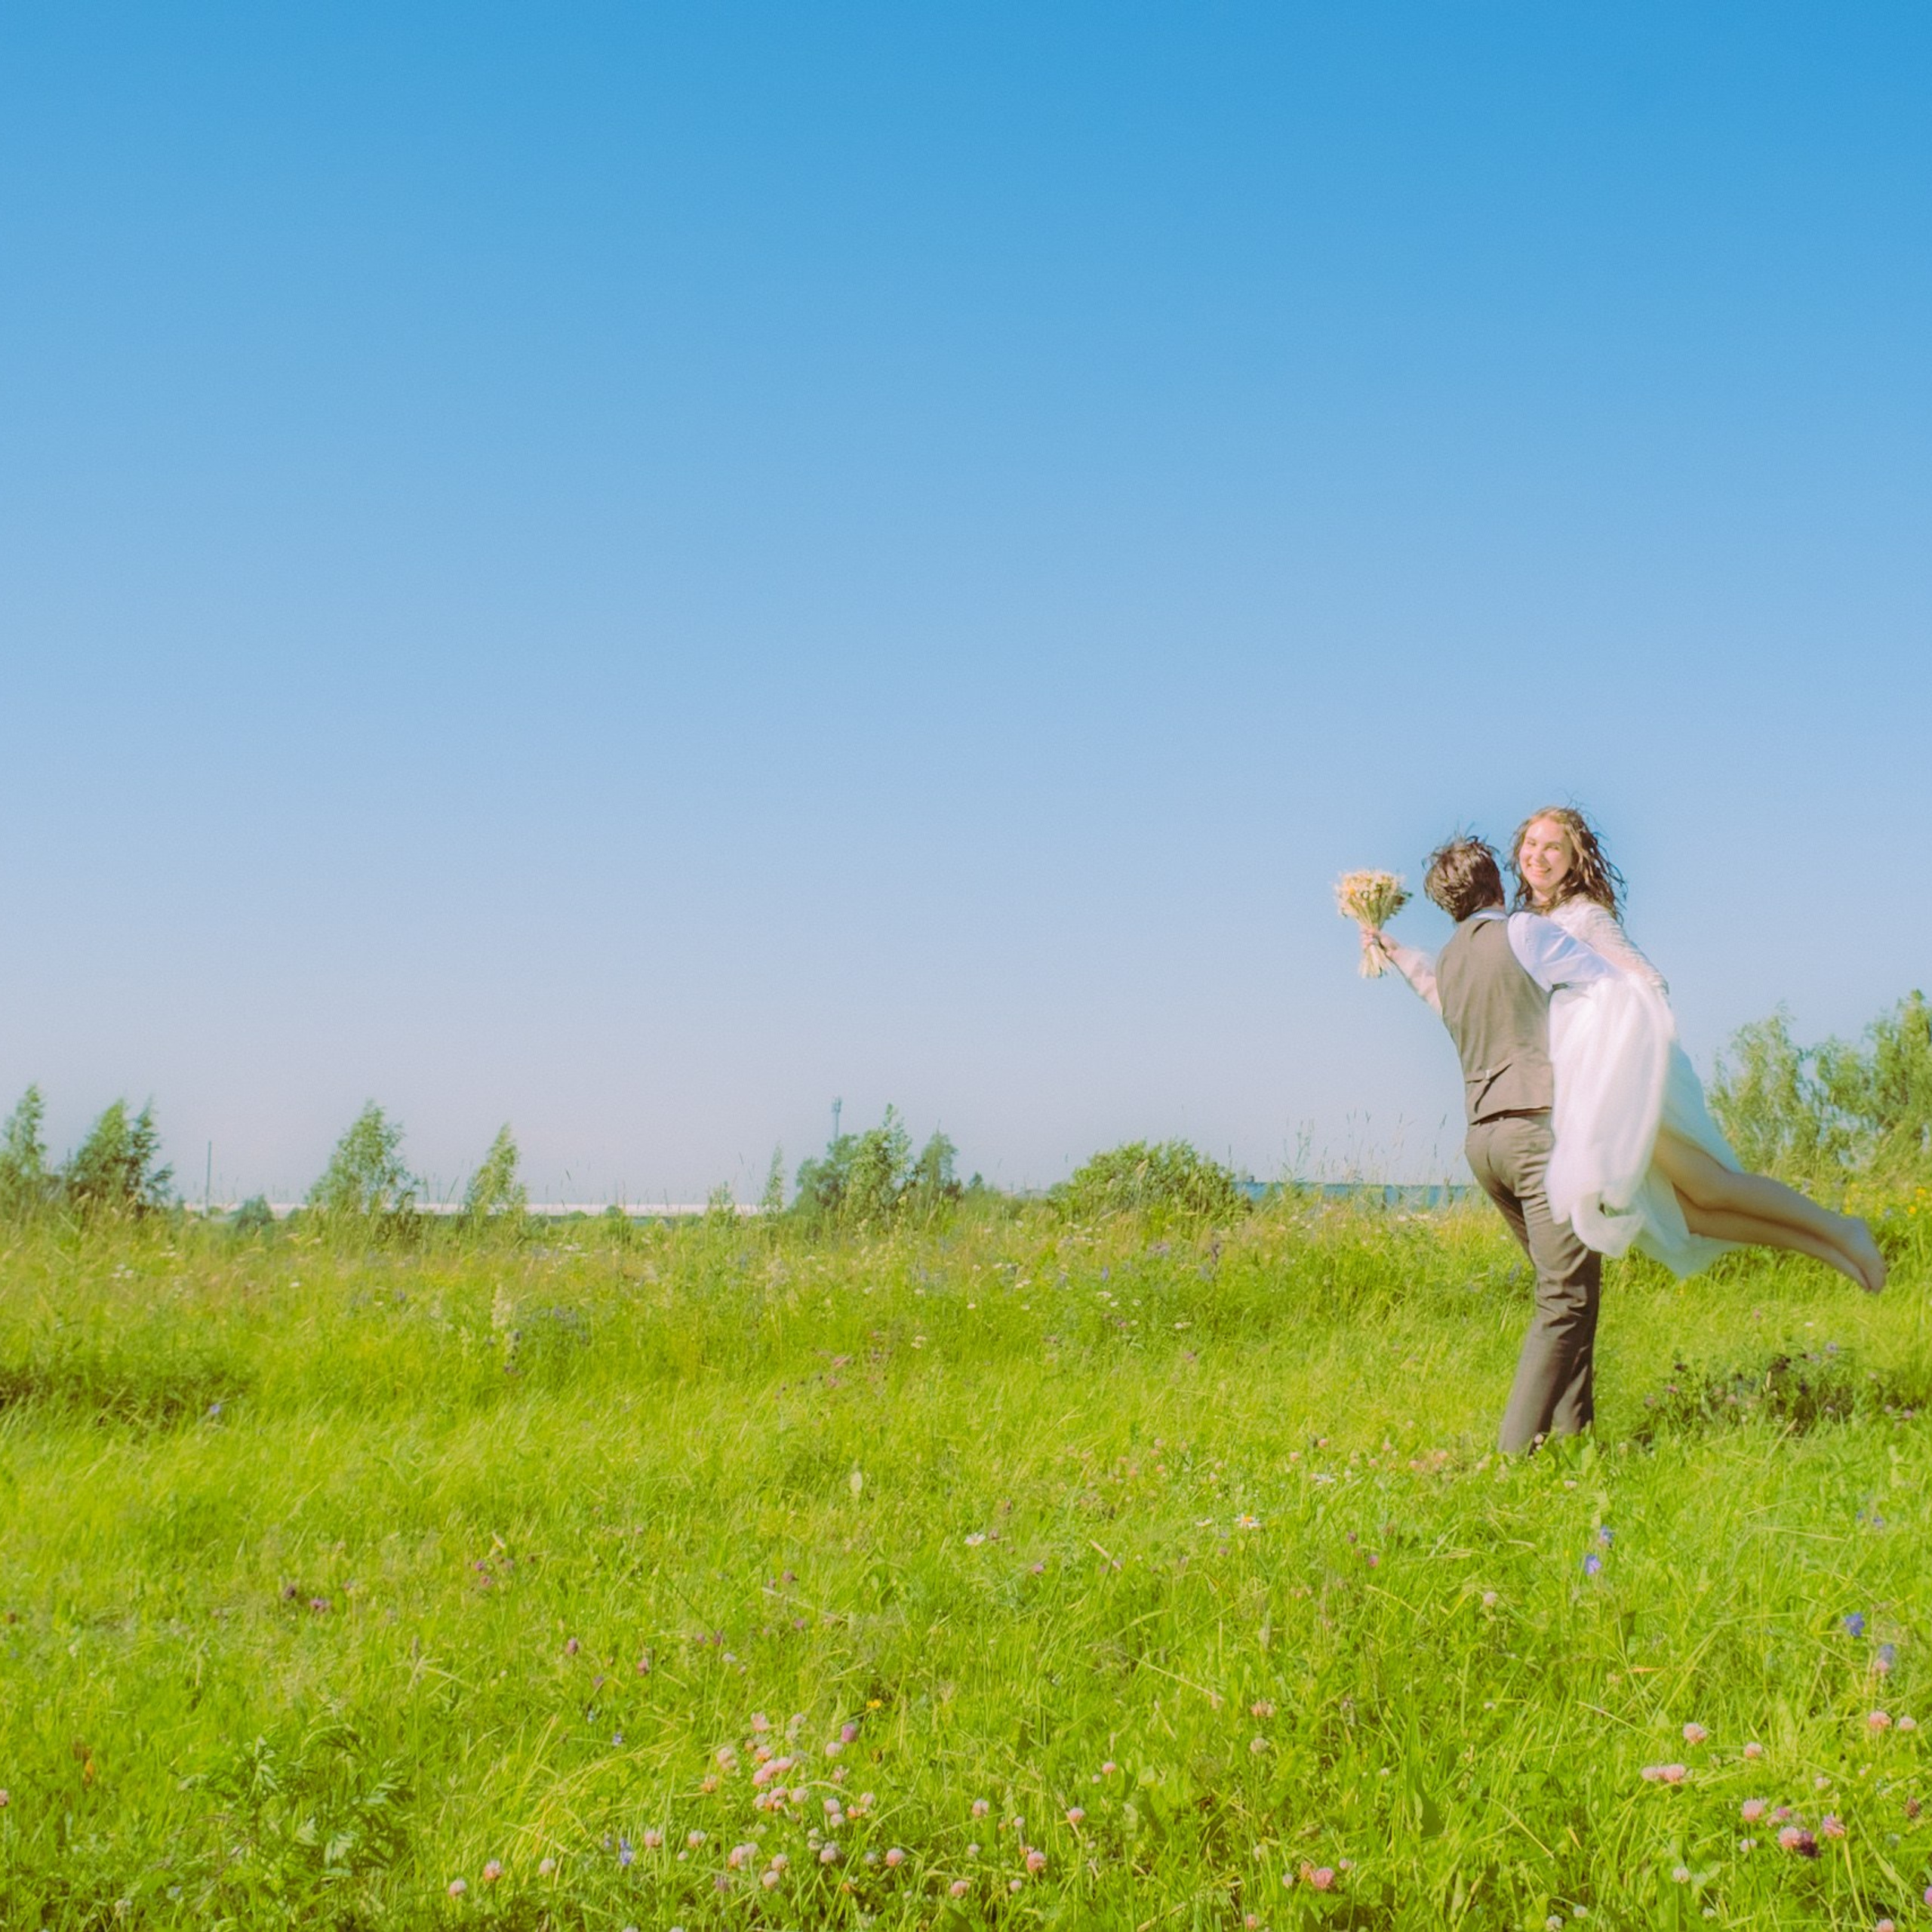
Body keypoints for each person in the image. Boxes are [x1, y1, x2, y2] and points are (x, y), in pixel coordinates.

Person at [1506, 804, 1884, 1294]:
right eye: (1531, 845)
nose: (1539, 856)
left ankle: (1840, 1232)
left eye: (1552, 846)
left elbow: (1648, 980)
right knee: (1689, 1212)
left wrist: (1619, 1053)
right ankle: (1831, 1247)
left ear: (1574, 858)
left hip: (1618, 1077)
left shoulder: (1585, 916)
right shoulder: (1532, 921)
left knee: (1709, 1190)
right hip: (1584, 1088)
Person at [1367, 834, 1627, 1452]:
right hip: (1535, 1133)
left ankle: (1577, 1442)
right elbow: (1608, 982)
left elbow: (1432, 989)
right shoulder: (1525, 933)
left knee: (1570, 1289)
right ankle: (1512, 1459)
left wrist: (1392, 950)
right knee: (1564, 1297)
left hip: (1483, 1142)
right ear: (1499, 883)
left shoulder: (1454, 959)